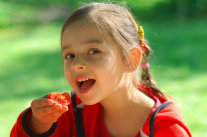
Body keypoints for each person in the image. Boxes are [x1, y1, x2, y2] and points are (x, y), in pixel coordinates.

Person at [11, 2, 192, 137]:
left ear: (130, 59)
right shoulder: (69, 115)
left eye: (93, 51)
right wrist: (38, 123)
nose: (76, 64)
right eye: (69, 55)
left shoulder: (165, 127)